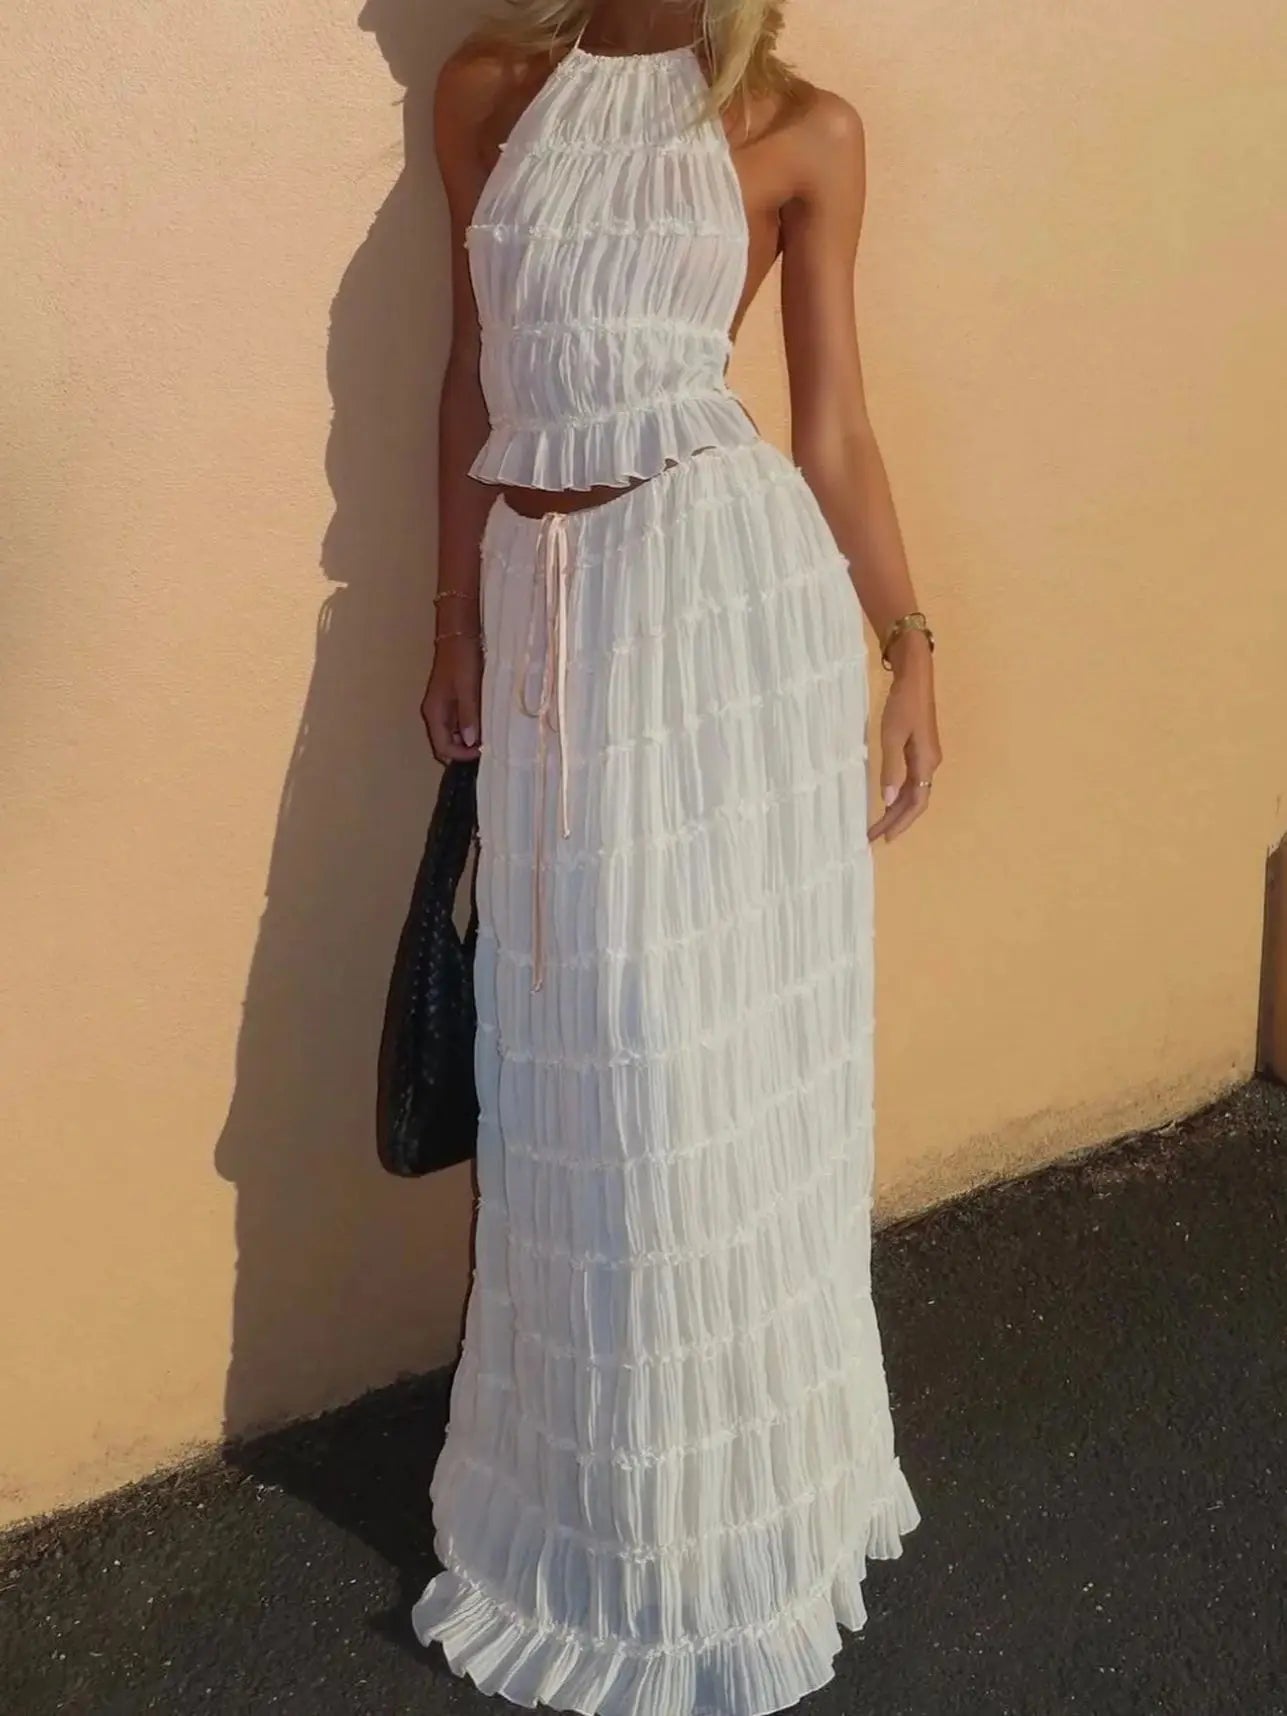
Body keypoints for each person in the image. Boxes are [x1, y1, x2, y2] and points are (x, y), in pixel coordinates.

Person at [415, 3, 938, 1712]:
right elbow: (470, 366)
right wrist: (449, 615)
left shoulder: (803, 126)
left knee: (691, 1067)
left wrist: (910, 641)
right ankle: (590, 1509)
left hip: (717, 615)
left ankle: (728, 1534)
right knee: (576, 1069)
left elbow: (832, 424)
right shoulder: (487, 91)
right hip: (544, 607)